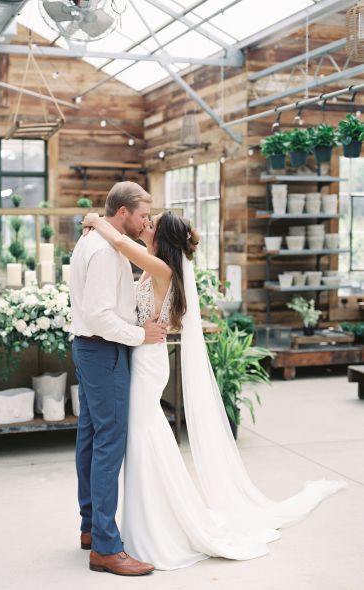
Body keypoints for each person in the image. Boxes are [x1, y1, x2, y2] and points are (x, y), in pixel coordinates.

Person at [81, 208, 347, 571]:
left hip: (147, 362)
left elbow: (120, 242)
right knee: (144, 438)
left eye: (152, 223)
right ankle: (141, 524)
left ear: (161, 239)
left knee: (143, 436)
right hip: (142, 356)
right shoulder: (155, 265)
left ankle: (154, 529)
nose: (145, 223)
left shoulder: (162, 269)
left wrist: (97, 222)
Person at [69, 181, 167, 576]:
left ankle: (91, 528)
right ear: (122, 213)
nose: (146, 221)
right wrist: (139, 335)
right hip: (103, 349)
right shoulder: (105, 250)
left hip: (89, 348)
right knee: (110, 442)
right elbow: (100, 316)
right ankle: (107, 548)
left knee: (91, 436)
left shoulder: (93, 241)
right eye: (143, 214)